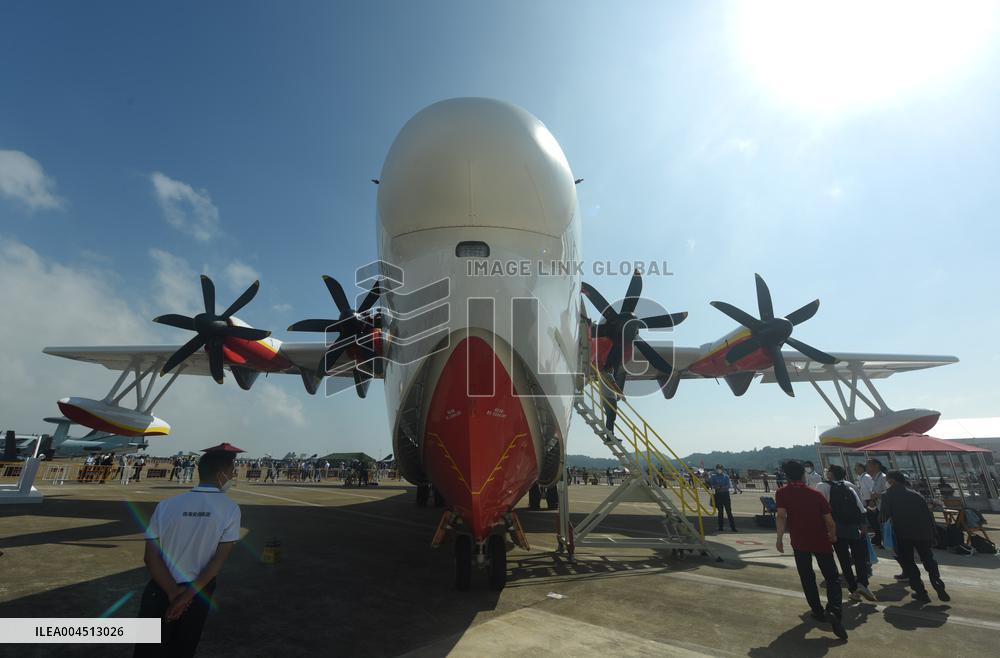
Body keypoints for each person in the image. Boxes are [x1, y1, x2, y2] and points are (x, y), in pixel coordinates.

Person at [135, 442, 243, 658]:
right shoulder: (230, 509)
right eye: (232, 471)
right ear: (222, 474)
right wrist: (186, 597)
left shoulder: (166, 505)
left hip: (159, 590)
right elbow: (217, 563)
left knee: (147, 651)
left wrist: (173, 592)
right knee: (183, 648)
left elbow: (150, 557)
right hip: (197, 593)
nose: (233, 476)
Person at [775, 460, 847, 641]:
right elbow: (829, 521)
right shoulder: (816, 495)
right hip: (820, 541)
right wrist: (832, 535)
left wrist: (779, 538)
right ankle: (835, 610)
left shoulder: (782, 493)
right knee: (832, 577)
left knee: (807, 577)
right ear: (803, 474)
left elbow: (781, 516)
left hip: (799, 542)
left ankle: (817, 610)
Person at [880, 471, 950, 603]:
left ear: (893, 481)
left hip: (902, 534)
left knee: (909, 562)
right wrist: (933, 534)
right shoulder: (916, 495)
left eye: (888, 480)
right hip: (922, 532)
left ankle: (920, 591)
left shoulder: (887, 495)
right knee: (928, 559)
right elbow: (929, 516)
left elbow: (884, 517)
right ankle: (937, 583)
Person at [816, 465, 876, 602]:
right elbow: (860, 506)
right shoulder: (850, 485)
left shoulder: (822, 486)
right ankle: (863, 584)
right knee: (859, 557)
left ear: (831, 474)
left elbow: (822, 508)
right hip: (854, 527)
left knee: (844, 560)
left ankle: (853, 589)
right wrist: (863, 525)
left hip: (836, 528)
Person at [708, 464, 737, 532]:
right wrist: (717, 487)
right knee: (720, 512)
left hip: (725, 495)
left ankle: (733, 527)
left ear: (722, 469)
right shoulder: (713, 477)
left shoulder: (726, 476)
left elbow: (728, 486)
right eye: (718, 468)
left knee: (729, 511)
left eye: (720, 468)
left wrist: (720, 487)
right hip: (718, 495)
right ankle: (720, 527)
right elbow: (712, 485)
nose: (719, 469)